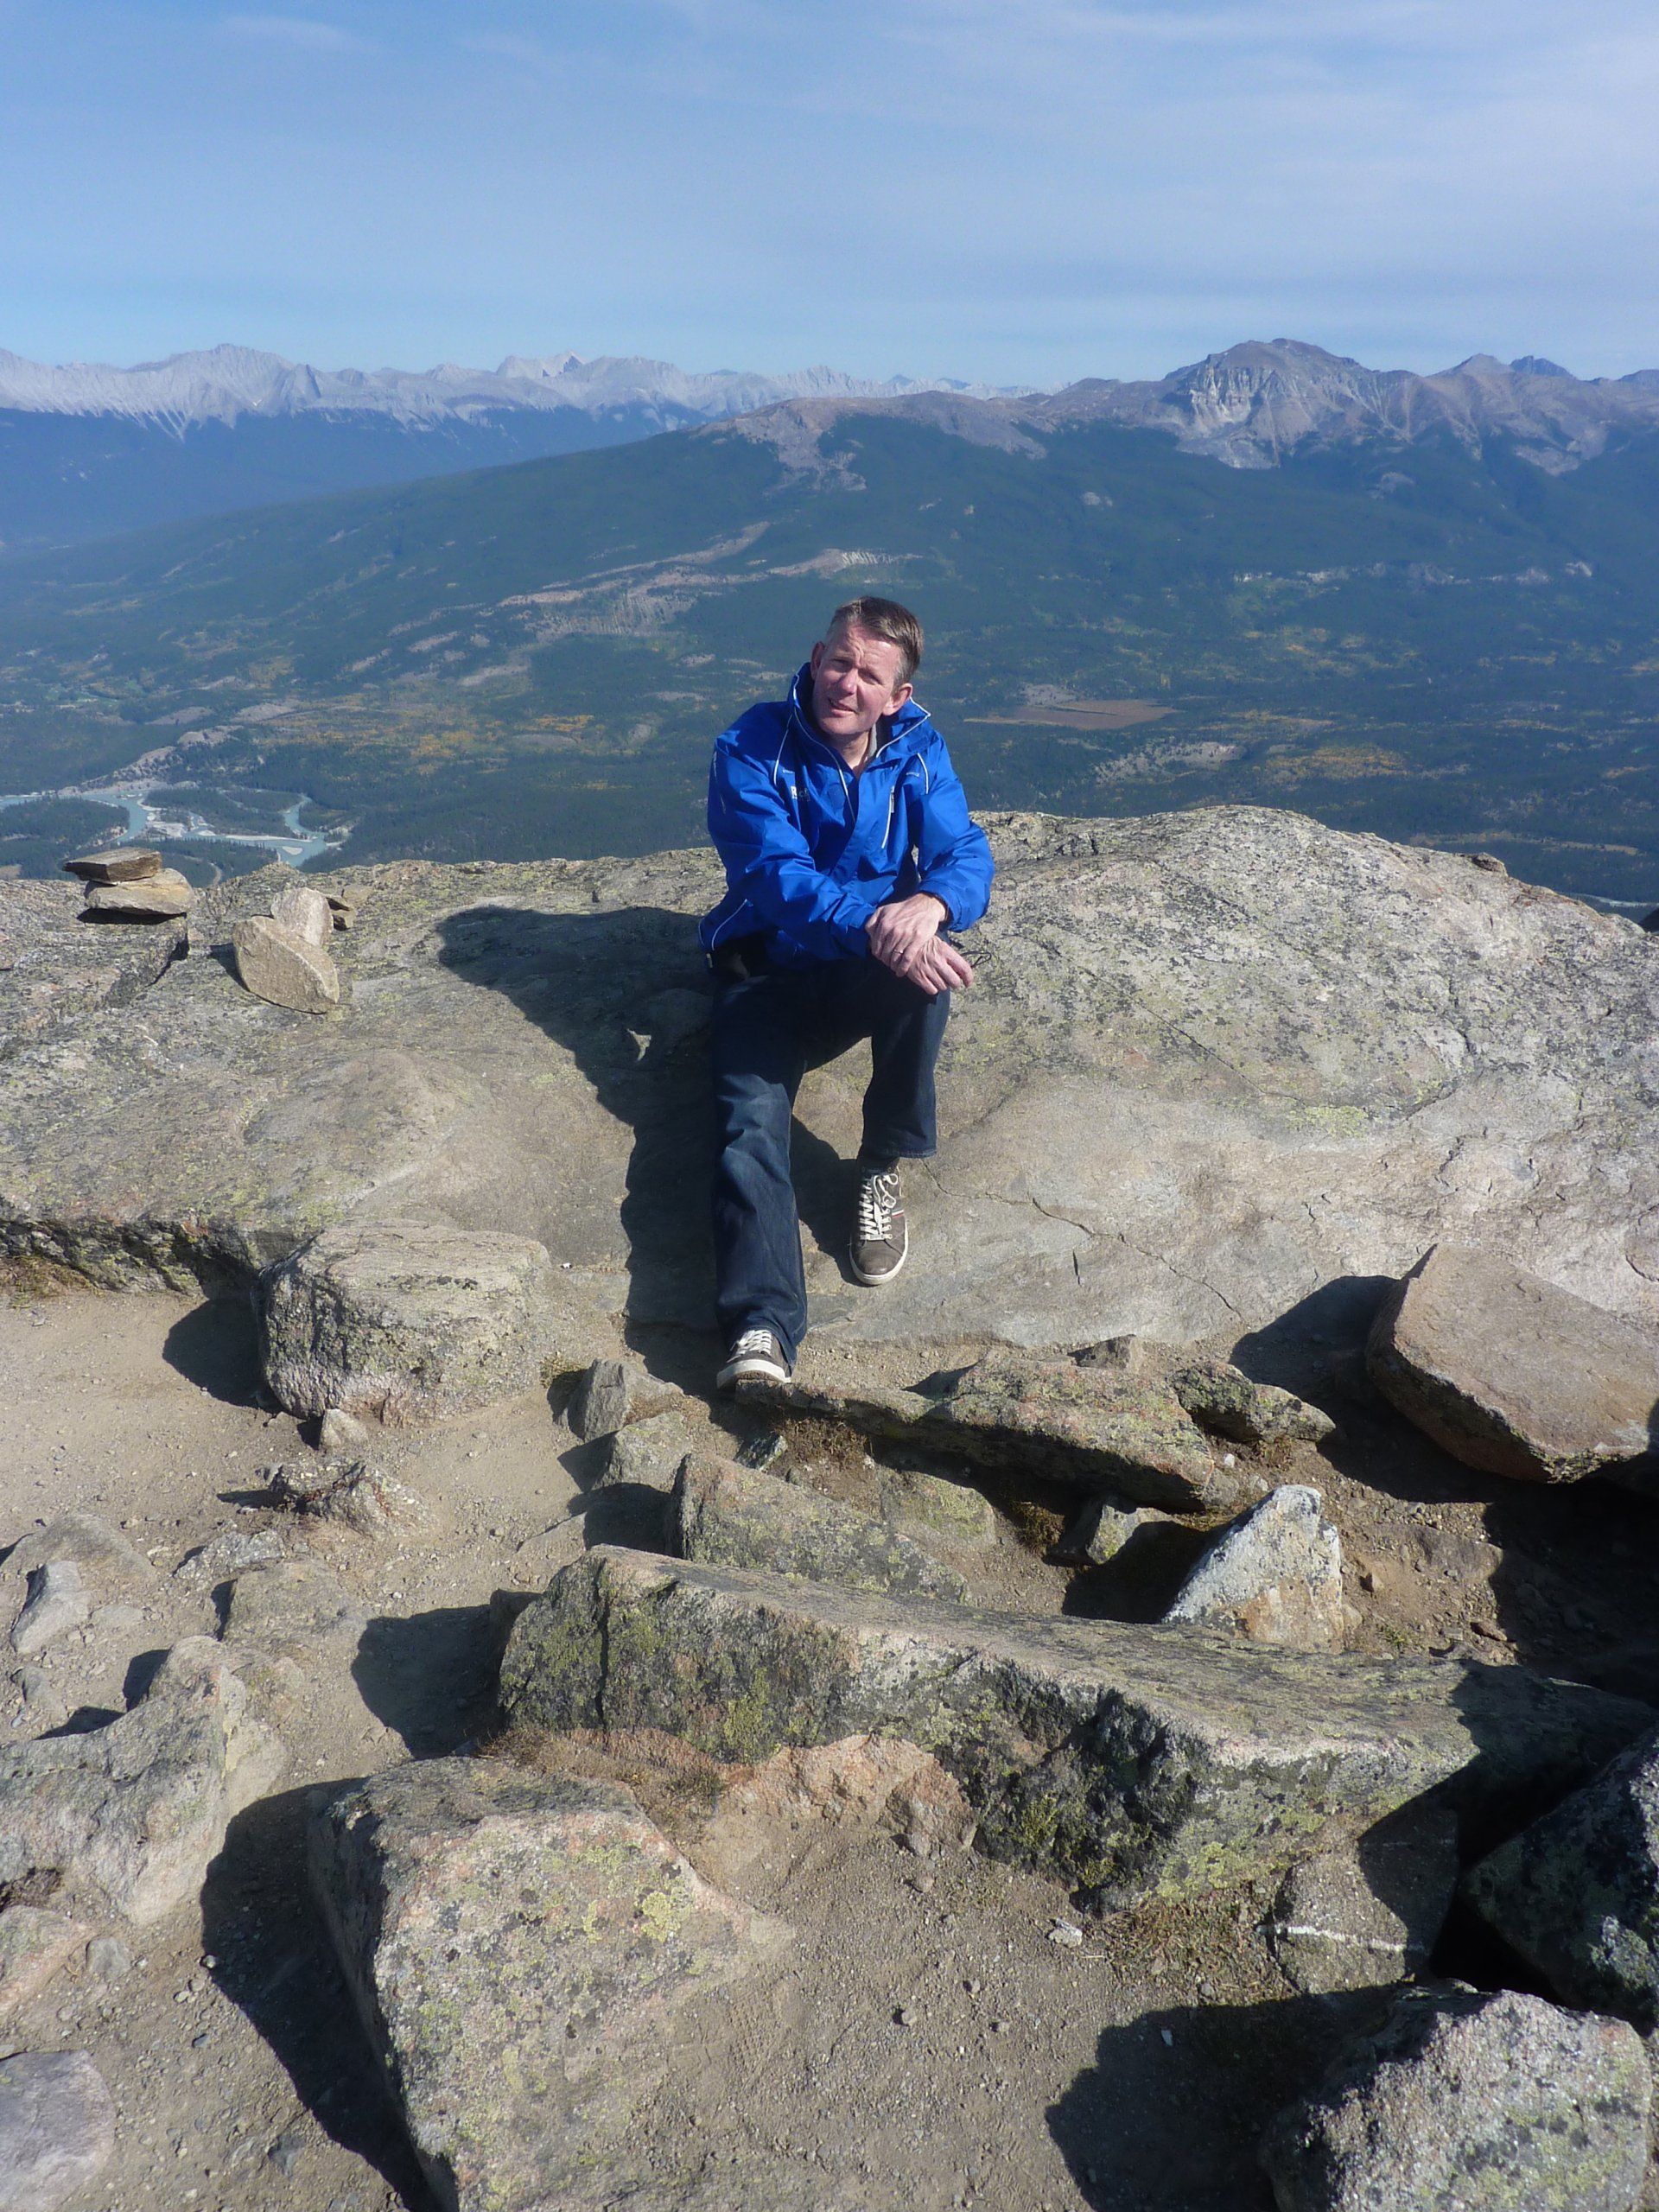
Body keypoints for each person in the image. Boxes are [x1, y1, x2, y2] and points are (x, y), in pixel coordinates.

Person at [700, 597, 994, 1389]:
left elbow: (964, 849)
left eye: (870, 674)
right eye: (838, 662)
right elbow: (773, 875)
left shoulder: (917, 747)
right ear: (815, 655)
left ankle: (879, 1165)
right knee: (748, 1132)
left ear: (896, 696)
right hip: (763, 973)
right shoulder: (754, 746)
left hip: (859, 965)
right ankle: (762, 1330)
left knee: (929, 968)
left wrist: (932, 906)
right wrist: (878, 926)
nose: (846, 684)